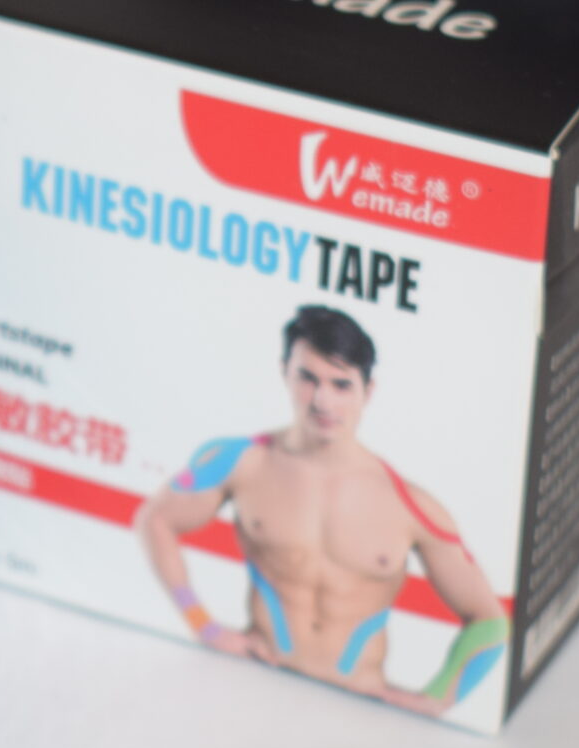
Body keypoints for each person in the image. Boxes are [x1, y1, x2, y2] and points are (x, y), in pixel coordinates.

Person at [135, 305, 509, 715]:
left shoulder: (410, 505)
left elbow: (489, 623)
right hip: (254, 684)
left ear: (368, 391)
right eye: (307, 378)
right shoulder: (243, 462)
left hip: (358, 706)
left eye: (341, 384)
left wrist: (436, 698)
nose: (322, 401)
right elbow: (156, 520)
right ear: (285, 372)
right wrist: (202, 625)